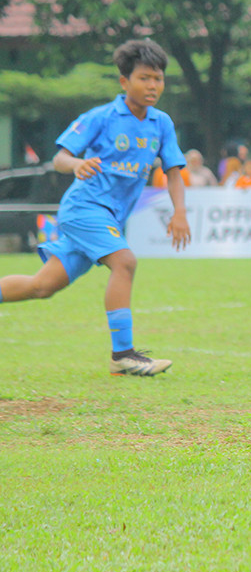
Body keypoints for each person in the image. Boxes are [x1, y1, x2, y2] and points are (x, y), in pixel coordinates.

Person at [0, 39, 190, 376]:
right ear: (124, 82)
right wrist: (75, 164)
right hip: (84, 208)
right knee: (125, 262)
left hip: (108, 216)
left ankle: (122, 357)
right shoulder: (101, 117)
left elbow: (173, 172)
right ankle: (124, 355)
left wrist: (180, 213)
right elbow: (58, 158)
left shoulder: (161, 123)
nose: (152, 86)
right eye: (144, 78)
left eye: (158, 79)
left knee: (42, 286)